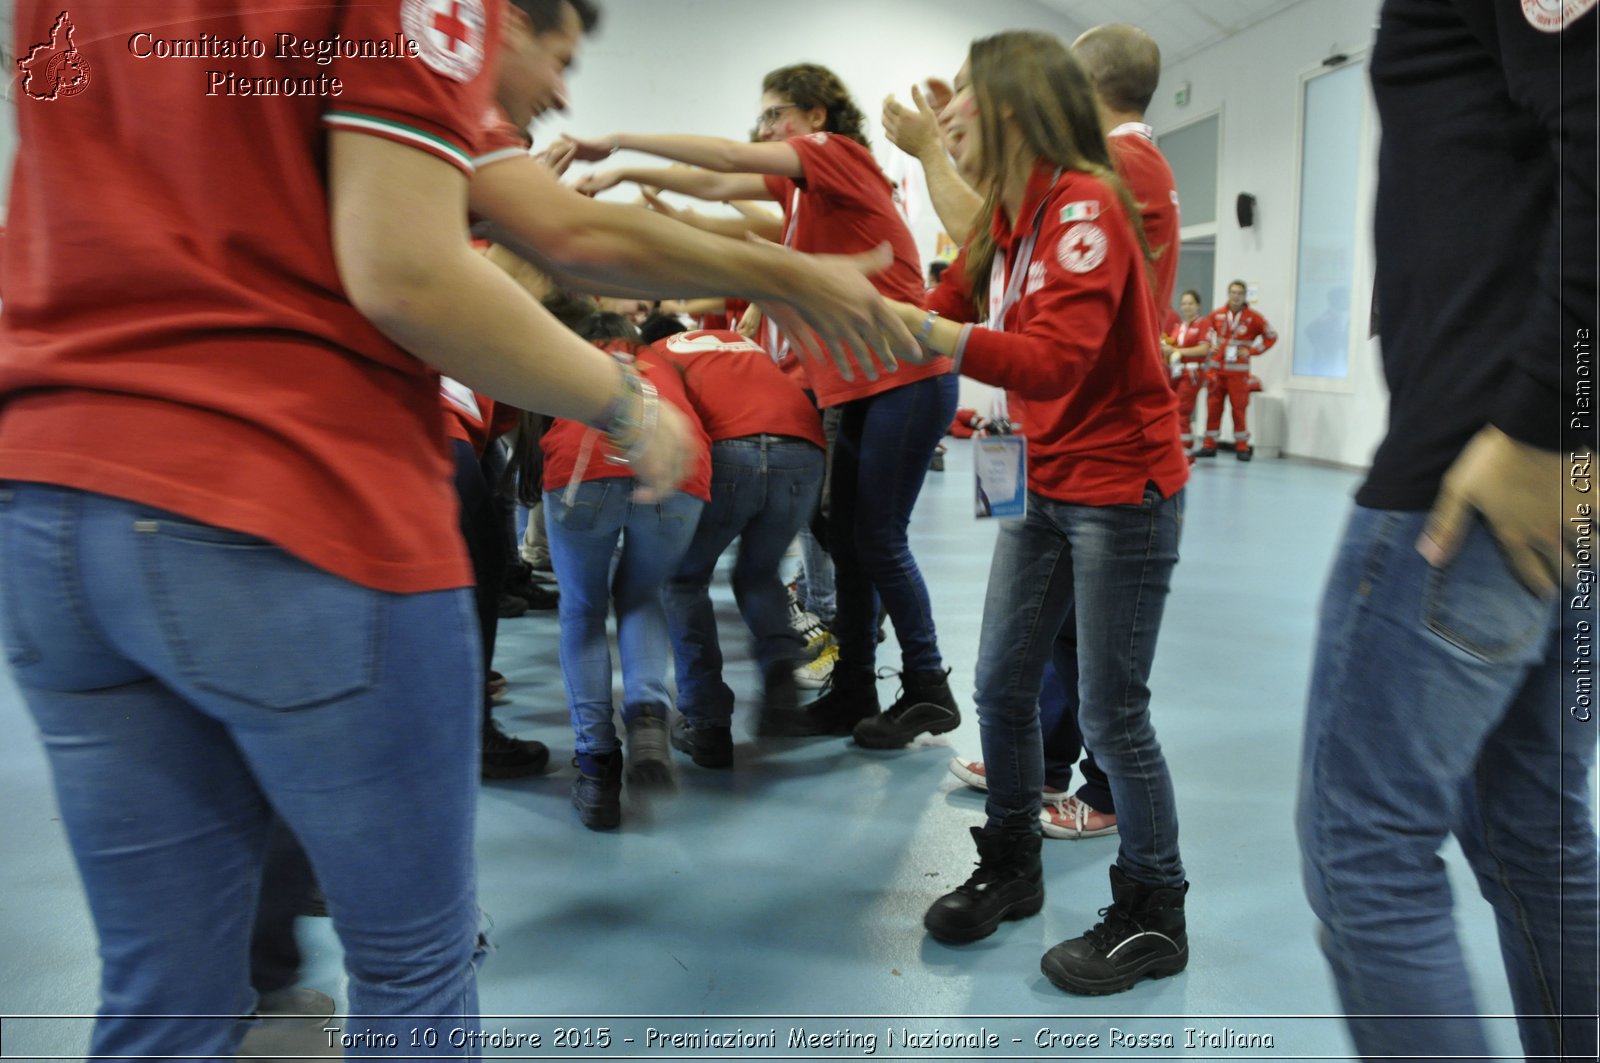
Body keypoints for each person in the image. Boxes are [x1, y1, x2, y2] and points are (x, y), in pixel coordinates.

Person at [0, 1, 698, 1057]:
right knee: (412, 966)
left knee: (163, 989)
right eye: (557, 53)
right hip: (289, 493)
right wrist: (626, 399)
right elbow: (408, 271)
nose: (559, 83)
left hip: (56, 497)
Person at [1296, 1, 1596, 1059]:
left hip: (1493, 464)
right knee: (1532, 824)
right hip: (1555, 464)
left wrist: (1543, 418)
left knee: (1362, 845)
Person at [882, 31, 1189, 995]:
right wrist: (872, 311)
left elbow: (1052, 358)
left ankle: (1153, 908)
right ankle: (1012, 861)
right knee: (1002, 680)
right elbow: (946, 298)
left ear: (1012, 105)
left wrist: (924, 328)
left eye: (964, 93)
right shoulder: (1013, 214)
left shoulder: (1089, 200)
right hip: (1038, 471)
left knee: (1112, 708)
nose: (947, 113)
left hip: (1120, 486)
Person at [568, 62, 962, 747]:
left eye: (779, 112)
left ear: (817, 115)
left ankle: (928, 683)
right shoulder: (799, 190)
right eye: (764, 115)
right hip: (861, 383)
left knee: (876, 538)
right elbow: (715, 183)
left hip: (906, 373)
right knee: (846, 539)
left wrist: (623, 141)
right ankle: (855, 688)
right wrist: (634, 178)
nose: (766, 126)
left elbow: (723, 158)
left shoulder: (834, 154)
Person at [542, 314, 712, 829]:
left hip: (582, 469)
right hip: (679, 471)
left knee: (583, 610)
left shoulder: (565, 355)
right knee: (642, 594)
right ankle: (646, 713)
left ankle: (597, 770)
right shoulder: (663, 363)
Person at [660, 329, 828, 758]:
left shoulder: (655, 354)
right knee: (759, 572)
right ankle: (778, 677)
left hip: (727, 449)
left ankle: (706, 721)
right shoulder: (742, 344)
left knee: (683, 580)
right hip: (803, 449)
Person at [1198, 279, 1276, 460]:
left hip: (1238, 374)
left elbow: (1271, 336)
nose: (1236, 296)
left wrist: (1252, 351)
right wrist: (1210, 347)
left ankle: (1242, 447)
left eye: (1240, 293)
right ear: (1228, 294)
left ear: (1244, 296)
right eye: (1233, 292)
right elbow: (1205, 333)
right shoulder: (1216, 315)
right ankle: (1209, 446)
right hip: (1217, 372)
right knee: (1213, 409)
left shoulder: (1254, 318)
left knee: (1239, 409)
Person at [1162, 289, 1214, 455]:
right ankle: (1177, 446)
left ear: (1198, 305)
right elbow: (1172, 347)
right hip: (1176, 372)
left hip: (1192, 373)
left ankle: (1185, 451)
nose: (1187, 307)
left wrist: (1179, 351)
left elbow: (1204, 349)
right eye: (1184, 303)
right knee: (1171, 410)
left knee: (1182, 411)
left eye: (1190, 303)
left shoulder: (1203, 324)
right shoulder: (1180, 326)